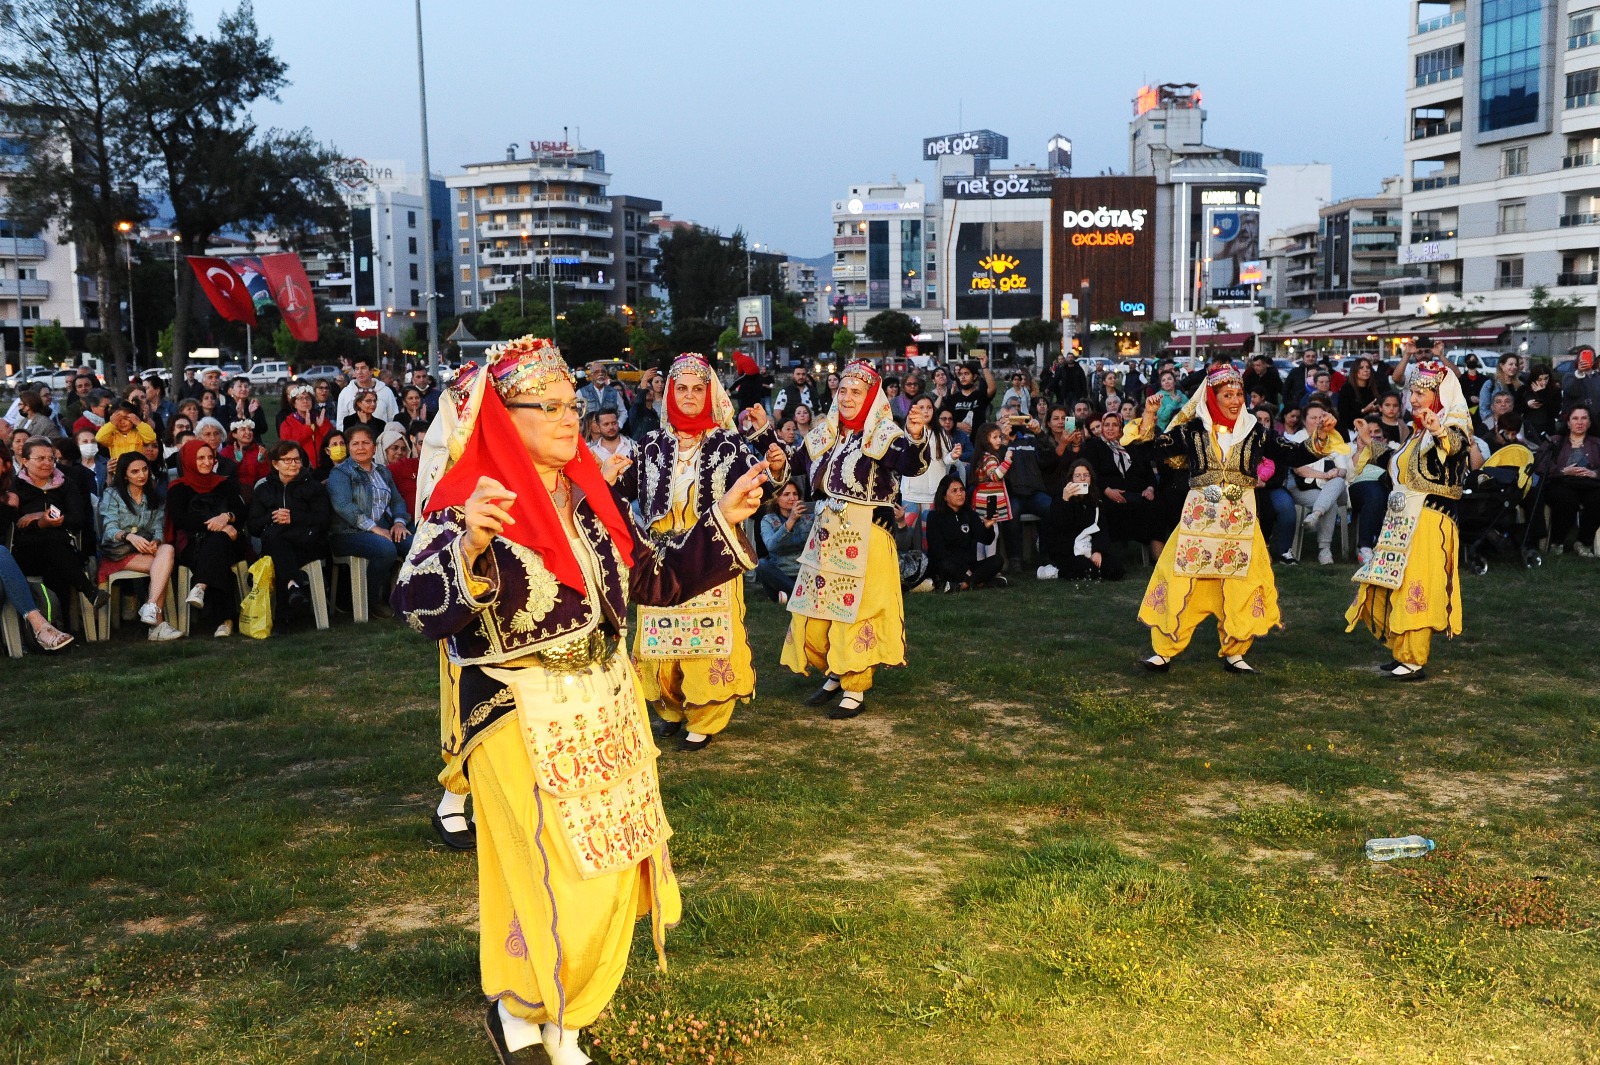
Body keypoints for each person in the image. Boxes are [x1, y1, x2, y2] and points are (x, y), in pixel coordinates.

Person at [391, 335, 765, 1065]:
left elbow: (652, 580)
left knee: (614, 862)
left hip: (605, 702)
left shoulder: (590, 495)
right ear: (506, 414)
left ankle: (553, 1017)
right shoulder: (471, 498)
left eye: (574, 404)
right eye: (552, 407)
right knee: (551, 867)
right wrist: (465, 550)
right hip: (514, 708)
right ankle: (528, 1009)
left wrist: (722, 517)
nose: (574, 418)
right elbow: (410, 603)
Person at [614, 352, 782, 751]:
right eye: (681, 389)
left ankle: (705, 716)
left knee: (706, 644)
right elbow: (621, 494)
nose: (689, 396)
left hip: (711, 553)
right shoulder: (651, 444)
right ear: (669, 393)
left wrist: (772, 462)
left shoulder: (728, 443)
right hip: (662, 555)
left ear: (710, 395)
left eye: (697, 389)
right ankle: (671, 708)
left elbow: (762, 488)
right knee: (659, 641)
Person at [1130, 364, 1319, 674]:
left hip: (1239, 520)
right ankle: (1164, 650)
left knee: (1241, 583)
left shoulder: (1255, 431)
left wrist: (1320, 436)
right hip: (1198, 521)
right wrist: (1149, 416)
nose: (1235, 401)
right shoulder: (1192, 429)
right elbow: (1154, 450)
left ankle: (1236, 650)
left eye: (1239, 394)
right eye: (1227, 395)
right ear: (1212, 396)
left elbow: (1292, 454)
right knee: (1179, 577)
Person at [781, 360, 930, 719]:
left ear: (870, 397)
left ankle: (854, 685)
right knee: (816, 613)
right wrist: (762, 439)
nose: (847, 397)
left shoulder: (883, 434)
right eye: (843, 390)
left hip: (868, 538)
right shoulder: (826, 432)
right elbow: (791, 463)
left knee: (857, 613)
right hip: (826, 538)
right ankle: (835, 669)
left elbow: (911, 463)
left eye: (856, 392)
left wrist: (915, 435)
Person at [1346, 361, 1473, 680]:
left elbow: (1454, 446)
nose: (1413, 399)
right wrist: (1368, 441)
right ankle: (1402, 651)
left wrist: (1438, 429)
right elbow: (1395, 463)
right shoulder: (1417, 433)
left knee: (1419, 585)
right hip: (1403, 521)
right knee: (1395, 582)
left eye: (1420, 393)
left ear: (1439, 396)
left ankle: (1414, 658)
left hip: (1430, 521)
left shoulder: (1453, 427)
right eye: (1412, 392)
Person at [10, 435, 107, 625]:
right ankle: (88, 592)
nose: (47, 463)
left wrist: (41, 517)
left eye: (51, 458)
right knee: (52, 546)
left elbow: (78, 518)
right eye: (40, 459)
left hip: (61, 547)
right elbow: (15, 524)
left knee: (54, 556)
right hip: (26, 551)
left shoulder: (66, 483)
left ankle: (56, 627)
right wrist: (40, 522)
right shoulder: (16, 486)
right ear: (25, 461)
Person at [326, 423, 411, 619]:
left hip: (382, 529)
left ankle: (412, 599)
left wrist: (399, 522)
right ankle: (373, 599)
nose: (361, 447)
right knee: (386, 549)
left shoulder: (382, 472)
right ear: (348, 448)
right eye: (355, 444)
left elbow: (397, 500)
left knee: (413, 545)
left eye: (366, 442)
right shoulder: (341, 473)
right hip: (347, 533)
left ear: (374, 447)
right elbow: (343, 506)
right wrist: (373, 528)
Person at [167, 440, 249, 638]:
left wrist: (227, 517)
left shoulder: (224, 483)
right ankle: (226, 620)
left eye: (210, 457)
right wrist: (220, 525)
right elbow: (181, 520)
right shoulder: (178, 488)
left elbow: (241, 511)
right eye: (200, 458)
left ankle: (200, 586)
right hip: (193, 542)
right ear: (188, 460)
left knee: (218, 545)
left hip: (230, 542)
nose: (206, 462)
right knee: (217, 551)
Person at [98, 452, 183, 641]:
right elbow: (109, 529)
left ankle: (151, 607)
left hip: (145, 551)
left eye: (144, 469)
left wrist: (156, 542)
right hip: (118, 552)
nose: (141, 475)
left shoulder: (154, 496)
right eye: (135, 471)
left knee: (167, 550)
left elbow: (158, 528)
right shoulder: (112, 494)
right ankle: (157, 624)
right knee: (163, 567)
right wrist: (130, 537)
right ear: (125, 475)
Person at [246, 441, 331, 617]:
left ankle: (282, 618)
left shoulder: (313, 487)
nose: (294, 464)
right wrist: (272, 517)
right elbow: (253, 527)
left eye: (297, 460)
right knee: (277, 542)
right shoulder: (263, 489)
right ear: (275, 464)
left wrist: (294, 517)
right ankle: (293, 585)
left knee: (274, 540)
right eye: (287, 460)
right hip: (281, 548)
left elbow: (324, 520)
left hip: (308, 544)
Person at [1038, 458, 1125, 582]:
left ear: (1091, 478)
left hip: (1089, 546)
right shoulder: (1061, 499)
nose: (1082, 479)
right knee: (1090, 572)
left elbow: (1102, 529)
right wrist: (1065, 501)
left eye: (1086, 475)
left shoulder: (1096, 501)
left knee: (1116, 570)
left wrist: (1098, 551)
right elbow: (1059, 526)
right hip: (1068, 549)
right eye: (1078, 476)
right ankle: (1055, 571)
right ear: (1071, 479)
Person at [1286, 404, 1351, 566]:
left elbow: (1343, 469)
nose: (1317, 421)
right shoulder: (1296, 439)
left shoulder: (1333, 438)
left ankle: (1314, 515)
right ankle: (1324, 550)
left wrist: (1335, 473)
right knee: (1331, 503)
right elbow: (1299, 469)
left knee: (1337, 481)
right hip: (1304, 488)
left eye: (1320, 417)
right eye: (1312, 418)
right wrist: (1324, 475)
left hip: (1331, 486)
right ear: (1304, 420)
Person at [1535, 404, 1600, 556]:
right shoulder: (1555, 441)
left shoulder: (1597, 443)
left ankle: (1583, 542)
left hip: (1589, 483)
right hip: (1561, 482)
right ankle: (1557, 542)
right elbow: (1540, 464)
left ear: (1590, 423)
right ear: (1568, 422)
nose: (1580, 422)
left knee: (1598, 499)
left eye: (1584, 418)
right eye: (1575, 418)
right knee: (1566, 500)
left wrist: (1594, 473)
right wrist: (1562, 471)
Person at [924, 472, 1003, 592]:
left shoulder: (969, 514)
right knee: (945, 566)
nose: (960, 494)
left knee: (998, 560)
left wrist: (987, 526)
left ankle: (965, 584)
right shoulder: (934, 517)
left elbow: (986, 539)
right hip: (947, 565)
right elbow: (938, 551)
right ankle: (979, 581)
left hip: (969, 565)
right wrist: (964, 569)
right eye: (954, 491)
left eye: (961, 490)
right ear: (944, 497)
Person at [898, 394, 955, 535]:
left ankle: (927, 558)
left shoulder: (940, 433)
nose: (926, 411)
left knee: (929, 535)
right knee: (905, 532)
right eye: (921, 407)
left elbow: (946, 460)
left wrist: (953, 456)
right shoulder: (906, 431)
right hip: (910, 493)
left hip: (933, 494)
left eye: (929, 407)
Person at [756, 480, 812, 602]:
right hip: (780, 573)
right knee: (762, 564)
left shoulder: (808, 517)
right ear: (776, 499)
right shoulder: (768, 520)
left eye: (795, 494)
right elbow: (771, 546)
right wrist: (791, 520)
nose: (792, 498)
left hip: (803, 572)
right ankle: (800, 595)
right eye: (786, 494)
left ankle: (789, 594)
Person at [279, 383, 333, 472]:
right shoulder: (287, 424)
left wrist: (322, 426)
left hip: (325, 468)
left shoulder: (320, 419)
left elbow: (332, 439)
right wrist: (307, 429)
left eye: (308, 398)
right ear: (294, 404)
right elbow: (288, 446)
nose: (305, 401)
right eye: (300, 398)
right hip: (300, 470)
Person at [940, 354, 996, 434]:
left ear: (974, 377)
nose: (962, 377)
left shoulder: (980, 396)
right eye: (960, 374)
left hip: (977, 441)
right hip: (958, 442)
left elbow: (992, 388)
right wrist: (958, 425)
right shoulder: (954, 398)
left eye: (966, 374)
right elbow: (942, 419)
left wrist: (984, 367)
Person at [335, 355, 398, 425]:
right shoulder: (345, 393)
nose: (359, 372)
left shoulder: (386, 392)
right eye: (356, 369)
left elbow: (393, 419)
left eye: (363, 368)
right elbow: (341, 422)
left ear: (371, 371)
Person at [220, 419, 271, 504]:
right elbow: (223, 474)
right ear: (234, 434)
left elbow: (266, 477)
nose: (248, 432)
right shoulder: (226, 452)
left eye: (250, 429)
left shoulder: (260, 450)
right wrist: (236, 461)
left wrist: (261, 462)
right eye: (243, 430)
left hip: (256, 492)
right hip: (233, 493)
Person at [1337, 357, 1386, 433]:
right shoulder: (1346, 389)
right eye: (1361, 368)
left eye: (1368, 367)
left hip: (1373, 429)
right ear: (1355, 371)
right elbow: (1343, 415)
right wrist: (1364, 410)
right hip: (1353, 430)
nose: (1366, 370)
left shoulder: (1375, 388)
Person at [577, 362, 628, 428]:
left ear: (606, 375)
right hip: (590, 434)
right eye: (597, 372)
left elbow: (623, 412)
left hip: (609, 434)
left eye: (603, 372)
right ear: (591, 376)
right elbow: (577, 414)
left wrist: (618, 425)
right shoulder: (581, 393)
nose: (600, 374)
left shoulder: (614, 392)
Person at [1519, 364, 1561, 443]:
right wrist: (1527, 405)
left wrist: (1542, 393)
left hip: (1547, 428)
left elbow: (1555, 412)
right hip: (1529, 428)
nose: (1543, 382)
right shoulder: (1524, 390)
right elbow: (1517, 408)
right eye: (1539, 379)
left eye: (1546, 378)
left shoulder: (1555, 391)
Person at [220, 375, 269, 441]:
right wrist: (238, 416)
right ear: (231, 391)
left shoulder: (255, 407)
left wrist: (252, 415)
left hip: (254, 444)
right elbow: (224, 430)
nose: (243, 389)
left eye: (246, 387)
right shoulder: (224, 409)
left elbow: (263, 429)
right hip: (233, 446)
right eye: (240, 386)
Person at [628, 368, 665, 441]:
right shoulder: (637, 409)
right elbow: (639, 402)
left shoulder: (654, 414)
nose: (647, 391)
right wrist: (644, 379)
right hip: (640, 448)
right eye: (645, 389)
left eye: (649, 388)